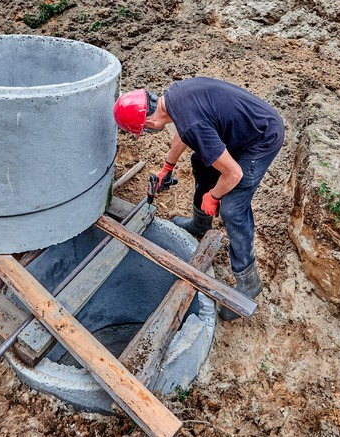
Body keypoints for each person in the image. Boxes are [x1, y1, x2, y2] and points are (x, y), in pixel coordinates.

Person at [113, 76, 285, 321]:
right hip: (242, 129)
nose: (147, 132)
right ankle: (201, 223)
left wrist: (213, 196)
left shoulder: (191, 122)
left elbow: (234, 174)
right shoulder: (174, 97)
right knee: (200, 161)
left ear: (150, 122)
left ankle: (249, 281)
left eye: (144, 130)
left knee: (233, 208)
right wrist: (166, 168)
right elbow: (185, 133)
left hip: (262, 137)